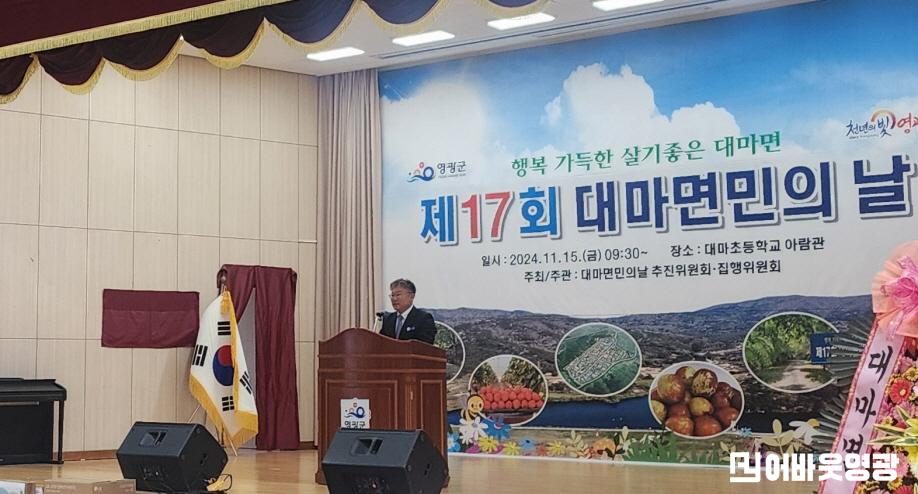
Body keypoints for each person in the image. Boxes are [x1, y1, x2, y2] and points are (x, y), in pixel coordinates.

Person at [379, 278, 437, 344]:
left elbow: (425, 345)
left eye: (398, 295)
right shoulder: (388, 319)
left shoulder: (424, 319)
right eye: (392, 295)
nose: (394, 299)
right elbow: (380, 343)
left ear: (411, 296)